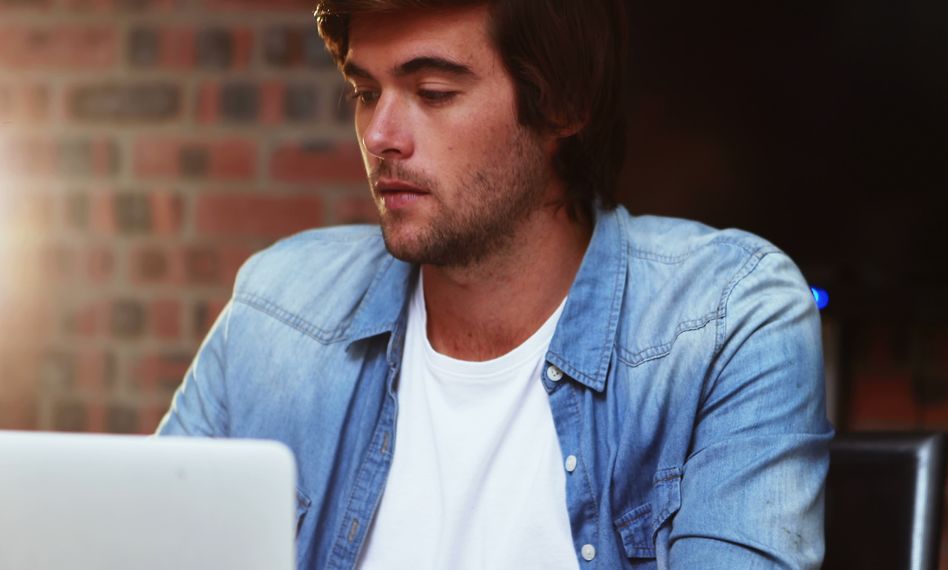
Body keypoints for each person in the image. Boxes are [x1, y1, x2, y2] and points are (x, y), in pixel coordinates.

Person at [157, 0, 833, 568]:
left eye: (433, 93)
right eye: (366, 93)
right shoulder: (279, 307)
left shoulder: (726, 318)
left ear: (563, 104)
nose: (381, 135)